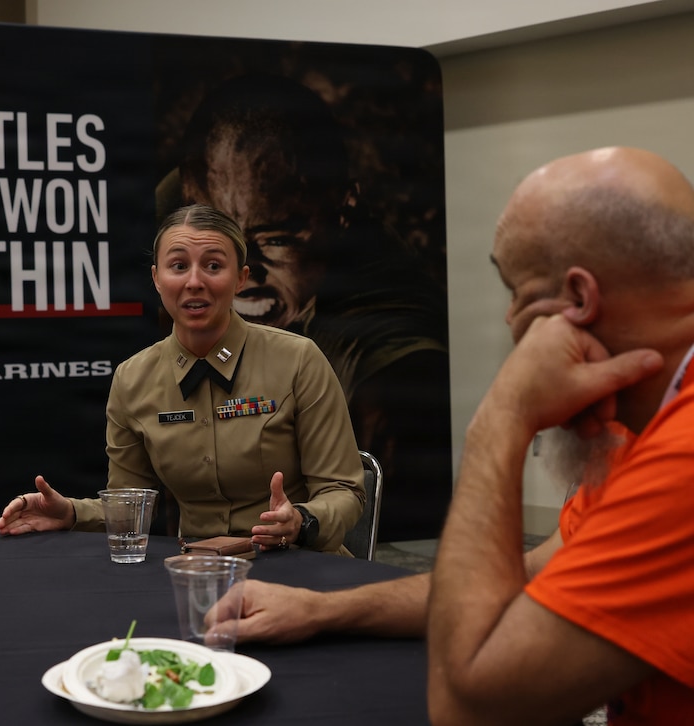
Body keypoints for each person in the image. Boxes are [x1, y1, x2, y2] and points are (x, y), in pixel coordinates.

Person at [214, 147, 694, 724]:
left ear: (577, 301)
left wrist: (500, 420)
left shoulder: (682, 460)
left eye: (515, 292)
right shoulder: (650, 425)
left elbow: (469, 706)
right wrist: (325, 610)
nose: (510, 321)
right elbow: (532, 577)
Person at [170, 73, 452, 541]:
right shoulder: (201, 198)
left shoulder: (388, 370)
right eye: (217, 244)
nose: (238, 274)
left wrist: (302, 523)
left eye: (275, 238)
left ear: (344, 209)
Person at [0, 204, 365, 553]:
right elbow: (132, 504)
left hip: (299, 563)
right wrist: (72, 514)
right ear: (157, 279)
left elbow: (344, 491)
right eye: (177, 266)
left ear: (241, 279)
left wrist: (301, 520)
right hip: (197, 572)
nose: (194, 282)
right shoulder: (133, 379)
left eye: (213, 266)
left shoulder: (298, 360)